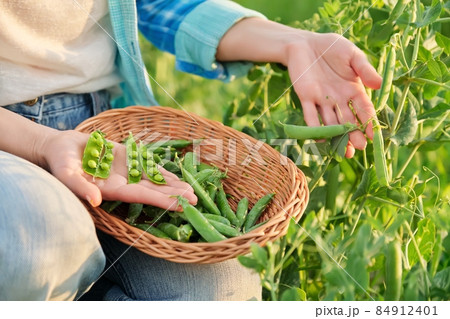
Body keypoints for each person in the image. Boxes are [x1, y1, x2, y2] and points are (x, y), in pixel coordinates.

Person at [0, 0, 382, 301]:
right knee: (35, 246)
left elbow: (158, 4)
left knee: (219, 290)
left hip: (105, 128)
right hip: (9, 136)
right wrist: (41, 141)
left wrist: (292, 41)